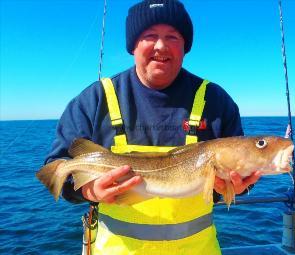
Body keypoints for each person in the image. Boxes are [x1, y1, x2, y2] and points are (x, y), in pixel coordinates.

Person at [45, 0, 261, 254]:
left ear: (185, 46)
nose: (161, 45)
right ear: (133, 45)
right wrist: (89, 190)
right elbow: (58, 167)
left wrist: (236, 186)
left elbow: (238, 177)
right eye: (149, 36)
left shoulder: (215, 100)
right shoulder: (95, 99)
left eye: (172, 36)